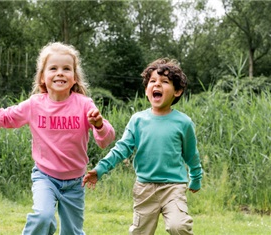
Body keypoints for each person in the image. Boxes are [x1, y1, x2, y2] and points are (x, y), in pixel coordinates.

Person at [0, 42, 115, 235]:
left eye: (66, 69)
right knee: (43, 217)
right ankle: (45, 226)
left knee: (72, 231)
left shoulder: (84, 105)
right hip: (45, 176)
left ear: (74, 78)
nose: (60, 73)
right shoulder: (35, 104)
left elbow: (106, 139)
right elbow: (9, 116)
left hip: (75, 182)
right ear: (43, 78)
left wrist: (98, 124)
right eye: (53, 68)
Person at [82, 58, 203, 235]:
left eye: (164, 82)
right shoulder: (138, 121)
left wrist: (196, 177)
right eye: (152, 81)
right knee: (140, 232)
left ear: (177, 91)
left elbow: (191, 154)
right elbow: (121, 149)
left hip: (173, 187)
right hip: (145, 187)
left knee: (179, 226)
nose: (157, 85)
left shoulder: (183, 123)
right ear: (147, 90)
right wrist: (100, 169)